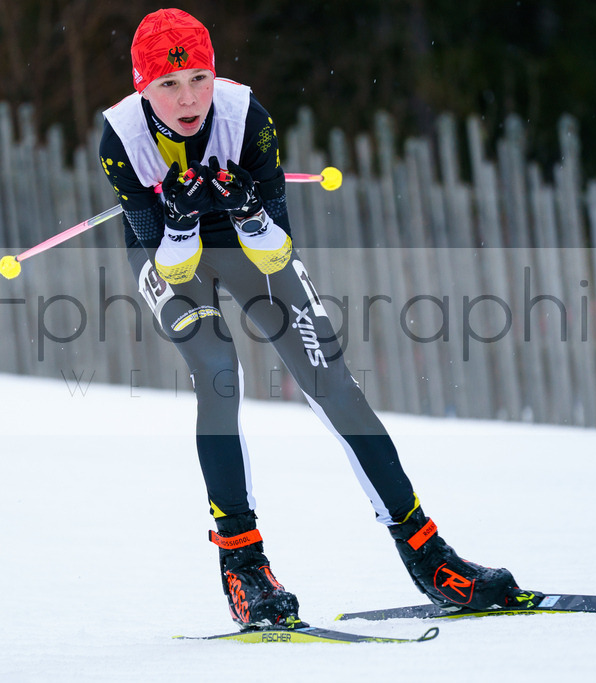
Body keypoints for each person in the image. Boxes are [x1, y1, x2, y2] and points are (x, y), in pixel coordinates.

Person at [99, 8, 537, 630]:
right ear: (143, 87)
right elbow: (170, 265)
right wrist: (178, 216)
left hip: (245, 240)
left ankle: (428, 554)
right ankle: (244, 567)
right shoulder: (121, 136)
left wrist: (248, 211)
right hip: (170, 254)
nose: (188, 97)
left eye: (198, 77)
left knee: (332, 379)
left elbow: (277, 248)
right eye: (168, 85)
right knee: (220, 375)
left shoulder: (245, 115)